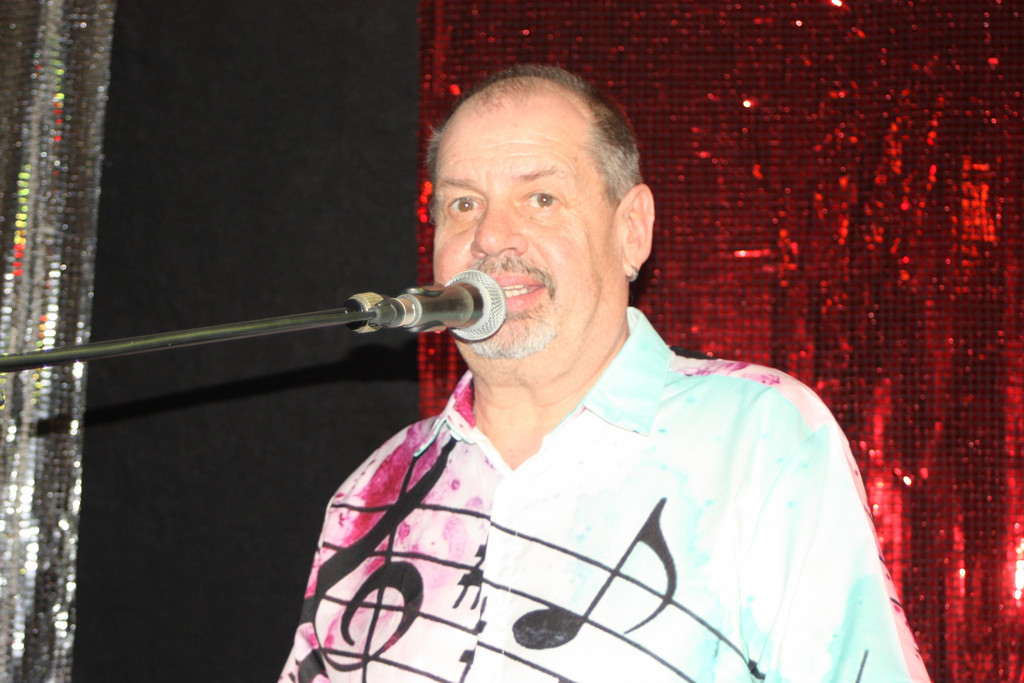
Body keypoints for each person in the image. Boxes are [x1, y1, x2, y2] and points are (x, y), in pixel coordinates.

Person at [280, 64, 930, 682]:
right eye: (463, 204)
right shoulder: (373, 493)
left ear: (632, 231)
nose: (491, 236)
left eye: (540, 198)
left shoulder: (760, 437)